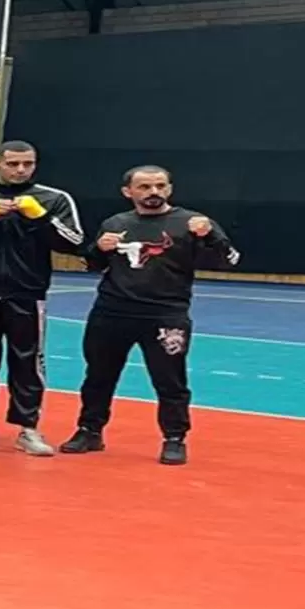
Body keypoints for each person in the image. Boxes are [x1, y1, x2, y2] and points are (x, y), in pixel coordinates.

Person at [63, 166, 238, 465]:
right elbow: (93, 265)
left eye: (159, 185)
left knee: (169, 380)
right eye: (144, 187)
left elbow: (229, 260)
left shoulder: (192, 222)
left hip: (166, 315)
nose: (153, 192)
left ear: (169, 189)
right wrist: (99, 249)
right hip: (112, 312)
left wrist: (210, 236)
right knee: (98, 376)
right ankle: (89, 430)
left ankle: (174, 438)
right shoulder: (116, 223)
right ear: (128, 192)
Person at [0, 141, 80, 457]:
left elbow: (73, 242)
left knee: (27, 360)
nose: (21, 170)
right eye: (13, 163)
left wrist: (40, 218)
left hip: (27, 292)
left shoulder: (54, 199)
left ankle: (28, 428)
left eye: (28, 164)